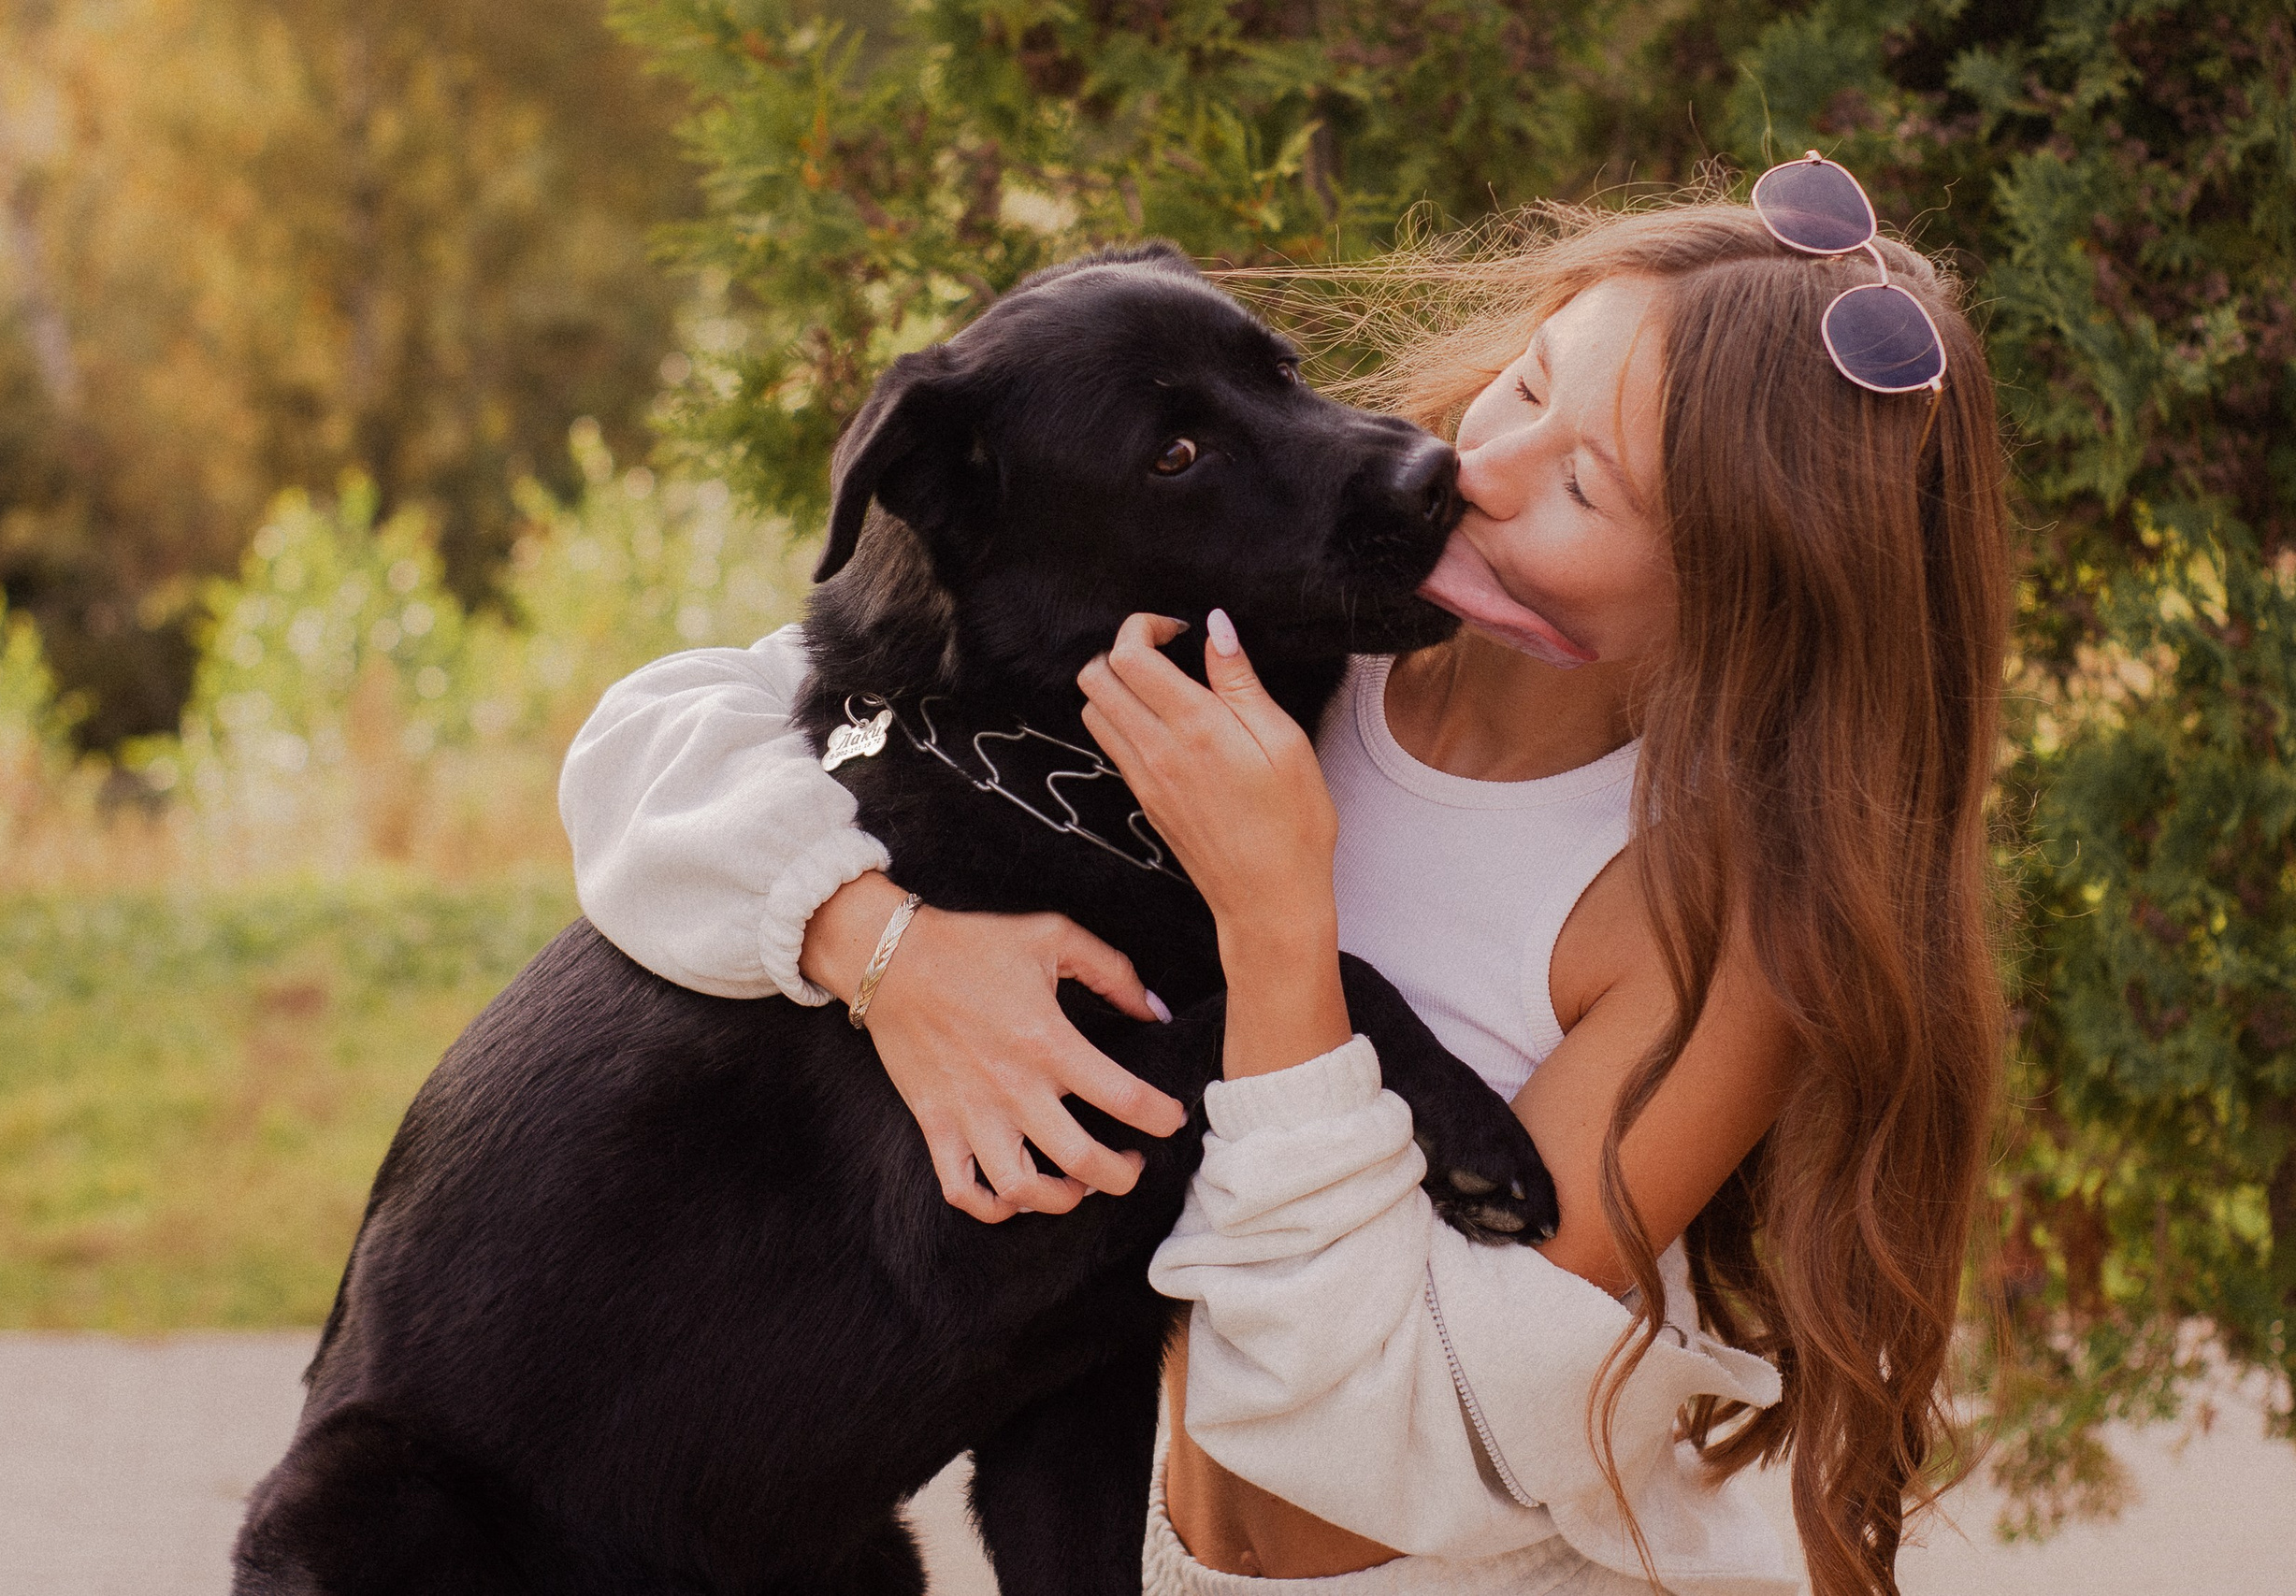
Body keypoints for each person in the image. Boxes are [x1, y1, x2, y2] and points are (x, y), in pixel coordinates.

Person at [558, 187, 2010, 1596]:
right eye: (1525, 382)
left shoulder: (1705, 932)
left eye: (1584, 483)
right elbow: (664, 740)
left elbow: (1377, 1438)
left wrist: (1274, 928)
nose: (1473, 466)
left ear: (1748, 588)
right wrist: (878, 944)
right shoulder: (1293, 626)